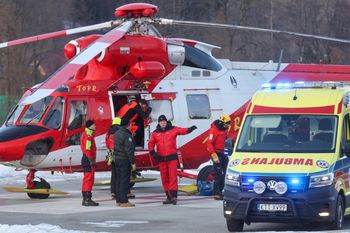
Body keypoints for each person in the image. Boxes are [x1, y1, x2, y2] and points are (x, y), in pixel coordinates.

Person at [148, 115, 197, 205]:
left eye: (164, 121)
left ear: (166, 122)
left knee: (173, 177)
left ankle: (174, 197)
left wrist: (191, 129)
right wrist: (153, 152)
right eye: (161, 121)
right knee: (164, 179)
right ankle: (168, 197)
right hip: (161, 159)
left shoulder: (173, 129)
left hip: (172, 159)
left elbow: (182, 131)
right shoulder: (155, 133)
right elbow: (150, 143)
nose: (163, 123)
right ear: (159, 123)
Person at [207, 114, 231, 200]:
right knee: (218, 173)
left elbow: (226, 140)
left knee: (226, 171)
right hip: (215, 153)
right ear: (221, 123)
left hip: (222, 152)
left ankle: (221, 190)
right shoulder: (213, 130)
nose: (227, 126)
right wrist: (214, 156)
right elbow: (209, 144)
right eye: (226, 124)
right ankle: (216, 193)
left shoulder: (225, 130)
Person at [113, 119, 136, 207]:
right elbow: (129, 150)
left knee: (118, 180)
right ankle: (124, 201)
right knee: (124, 181)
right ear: (128, 125)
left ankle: (119, 200)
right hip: (124, 160)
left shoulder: (116, 133)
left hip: (117, 159)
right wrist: (133, 162)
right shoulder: (126, 135)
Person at [80, 120, 99, 206]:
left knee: (86, 179)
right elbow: (88, 149)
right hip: (88, 159)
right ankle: (87, 199)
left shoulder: (86, 134)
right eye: (94, 124)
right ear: (90, 126)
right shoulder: (88, 136)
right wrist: (91, 160)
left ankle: (85, 199)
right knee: (89, 179)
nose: (95, 126)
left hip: (85, 159)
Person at [105, 117, 121, 199]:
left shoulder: (108, 132)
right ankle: (118, 192)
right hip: (118, 155)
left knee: (113, 175)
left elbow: (107, 144)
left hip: (111, 155)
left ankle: (113, 192)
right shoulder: (119, 131)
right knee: (119, 174)